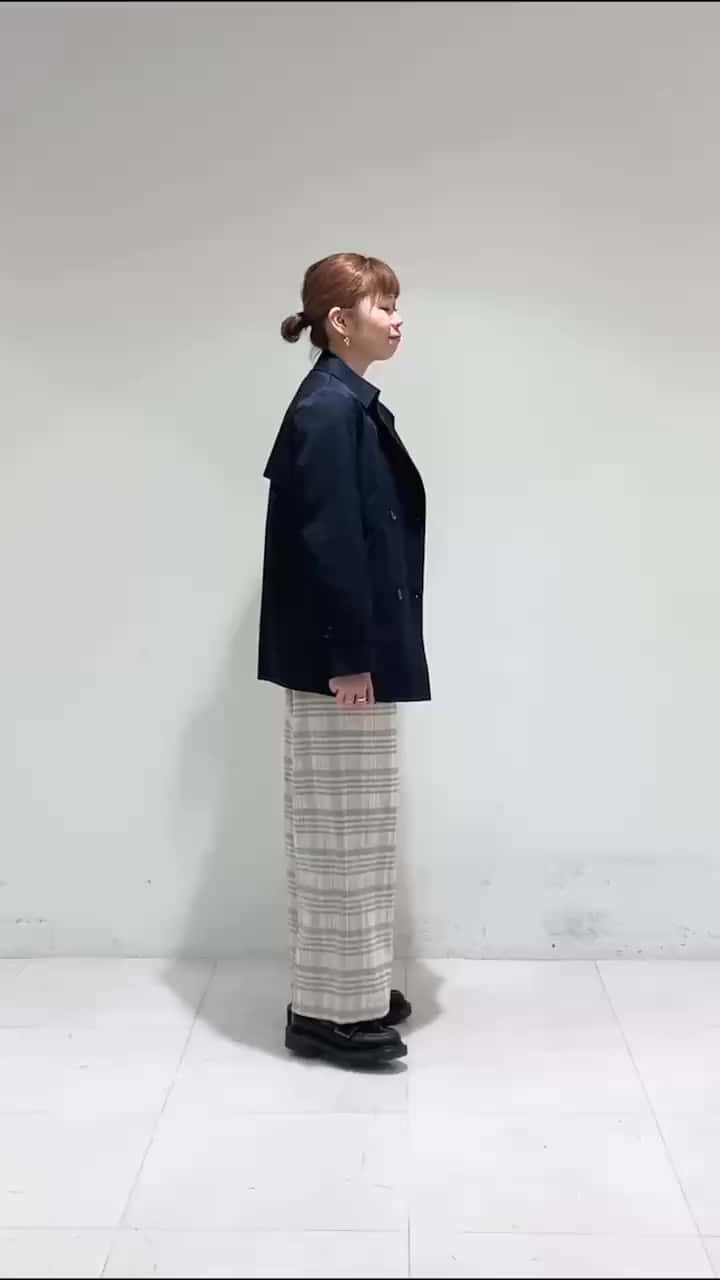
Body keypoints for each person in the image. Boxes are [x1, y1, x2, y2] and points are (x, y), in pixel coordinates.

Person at [258, 252, 430, 1067]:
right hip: (343, 663)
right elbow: (327, 545)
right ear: (340, 321)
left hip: (350, 655)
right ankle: (328, 1016)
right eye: (383, 304)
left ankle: (349, 993)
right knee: (338, 834)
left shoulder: (344, 404)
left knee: (355, 831)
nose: (397, 318)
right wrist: (350, 658)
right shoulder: (330, 410)